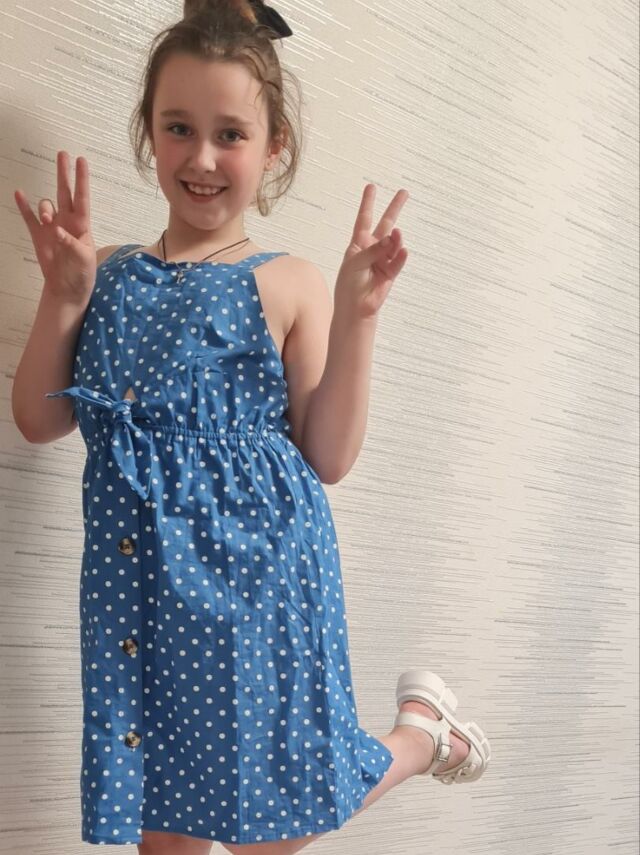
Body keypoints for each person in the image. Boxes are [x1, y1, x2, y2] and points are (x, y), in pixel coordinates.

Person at [11, 1, 491, 853]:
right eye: (179, 127)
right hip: (140, 589)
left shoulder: (288, 281)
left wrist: (358, 314)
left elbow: (328, 455)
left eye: (230, 134)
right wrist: (64, 292)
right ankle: (422, 730)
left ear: (274, 148)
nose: (201, 157)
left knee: (273, 831)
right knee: (165, 833)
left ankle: (419, 737)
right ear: (148, 132)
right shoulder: (108, 271)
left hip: (260, 587)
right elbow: (38, 419)